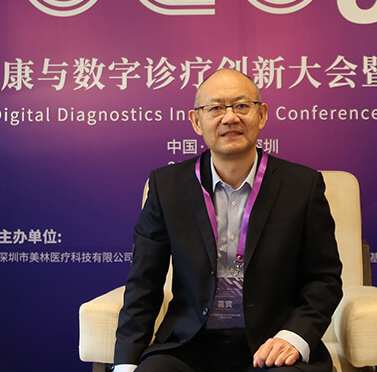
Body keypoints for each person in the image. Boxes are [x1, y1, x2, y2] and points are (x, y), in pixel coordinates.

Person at [113, 69, 343, 372]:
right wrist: (126, 364)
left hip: (272, 344)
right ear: (197, 121)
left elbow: (324, 278)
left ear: (261, 115)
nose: (230, 117)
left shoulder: (302, 185)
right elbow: (144, 282)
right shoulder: (167, 186)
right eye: (216, 108)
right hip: (189, 347)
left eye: (242, 106)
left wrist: (294, 337)